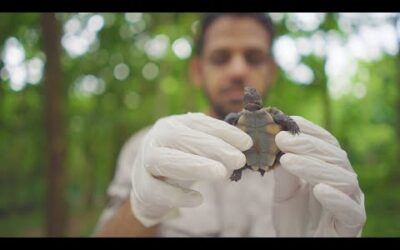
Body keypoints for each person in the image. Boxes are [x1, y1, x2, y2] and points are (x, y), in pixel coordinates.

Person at [94, 13, 366, 237]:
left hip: (269, 156)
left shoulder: (303, 161)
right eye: (221, 57)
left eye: (254, 57)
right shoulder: (148, 149)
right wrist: (141, 208)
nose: (238, 71)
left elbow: (283, 121)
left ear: (271, 71)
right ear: (198, 71)